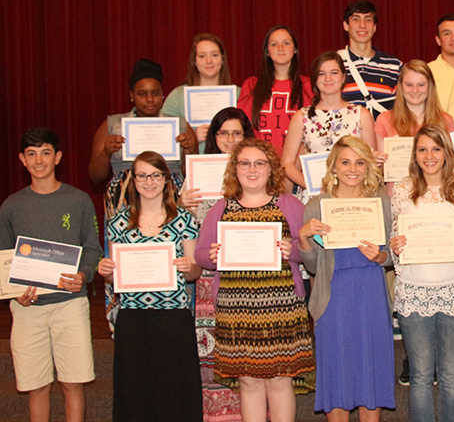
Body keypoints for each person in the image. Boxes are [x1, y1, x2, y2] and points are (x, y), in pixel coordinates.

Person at [195, 138, 313, 422]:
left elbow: (309, 251)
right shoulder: (220, 208)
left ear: (271, 169)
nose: (252, 169)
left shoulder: (290, 204)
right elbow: (200, 255)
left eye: (259, 163)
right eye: (245, 163)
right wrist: (212, 256)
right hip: (235, 310)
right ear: (234, 169)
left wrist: (294, 251)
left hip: (282, 308)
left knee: (279, 380)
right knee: (248, 381)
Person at [0, 128, 102, 422]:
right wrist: (13, 293)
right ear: (22, 159)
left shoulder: (79, 200)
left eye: (45, 153)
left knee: (73, 382)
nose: (38, 160)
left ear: (57, 157)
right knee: (37, 386)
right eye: (31, 154)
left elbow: (92, 249)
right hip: (27, 308)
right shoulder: (11, 206)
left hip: (70, 304)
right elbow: (4, 258)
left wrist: (83, 275)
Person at [97, 151, 202, 421]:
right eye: (142, 176)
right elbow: (115, 278)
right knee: (135, 394)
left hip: (173, 319)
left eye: (155, 175)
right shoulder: (118, 223)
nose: (149, 182)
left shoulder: (185, 220)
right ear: (133, 181)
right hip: (133, 319)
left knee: (174, 393)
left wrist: (188, 267)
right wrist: (106, 272)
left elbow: (194, 272)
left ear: (166, 179)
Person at [298, 136, 395, 421]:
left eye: (359, 162)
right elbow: (313, 266)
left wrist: (381, 256)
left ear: (368, 167)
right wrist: (303, 239)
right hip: (333, 296)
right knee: (337, 371)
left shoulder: (382, 203)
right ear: (334, 167)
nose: (352, 169)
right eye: (345, 162)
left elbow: (392, 254)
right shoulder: (317, 206)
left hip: (371, 294)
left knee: (371, 370)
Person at [389, 125, 454, 422]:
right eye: (422, 149)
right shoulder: (403, 190)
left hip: (453, 288)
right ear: (414, 154)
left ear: (446, 152)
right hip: (413, 290)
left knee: (450, 375)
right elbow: (395, 239)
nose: (429, 156)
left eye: (436, 149)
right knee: (421, 376)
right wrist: (395, 246)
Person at [89, 58, 196, 211]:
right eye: (142, 94)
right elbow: (95, 176)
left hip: (171, 201)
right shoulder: (112, 125)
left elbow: (193, 177)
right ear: (132, 95)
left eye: (155, 93)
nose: (150, 99)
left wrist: (190, 150)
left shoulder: (180, 125)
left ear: (162, 94)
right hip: (123, 201)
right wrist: (106, 153)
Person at [282, 51, 376, 194]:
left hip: (354, 194)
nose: (328, 79)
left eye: (334, 73)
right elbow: (286, 164)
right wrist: (310, 186)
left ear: (343, 77)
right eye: (321, 74)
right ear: (315, 79)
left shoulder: (362, 114)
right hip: (315, 196)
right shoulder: (301, 116)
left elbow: (370, 160)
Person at [237, 25, 311, 156]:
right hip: (259, 162)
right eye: (274, 44)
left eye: (286, 43)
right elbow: (242, 128)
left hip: (296, 163)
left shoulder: (308, 86)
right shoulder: (251, 85)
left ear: (295, 49)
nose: (280, 48)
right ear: (267, 52)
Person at [163, 33, 241, 153]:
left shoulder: (239, 94)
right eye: (202, 56)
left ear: (222, 59)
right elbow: (164, 140)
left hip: (231, 162)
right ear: (194, 61)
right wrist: (192, 138)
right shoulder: (177, 97)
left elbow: (249, 136)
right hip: (189, 163)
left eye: (214, 55)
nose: (209, 61)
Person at [180, 107, 258, 219]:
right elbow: (184, 209)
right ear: (214, 135)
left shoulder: (258, 169)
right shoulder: (200, 167)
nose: (230, 139)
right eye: (223, 133)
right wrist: (182, 202)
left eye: (236, 133)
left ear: (245, 136)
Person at [339, 0, 403, 119]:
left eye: (368, 20)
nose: (362, 25)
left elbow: (403, 109)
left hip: (383, 131)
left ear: (374, 27)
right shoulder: (335, 64)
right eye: (356, 19)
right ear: (346, 25)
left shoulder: (394, 66)